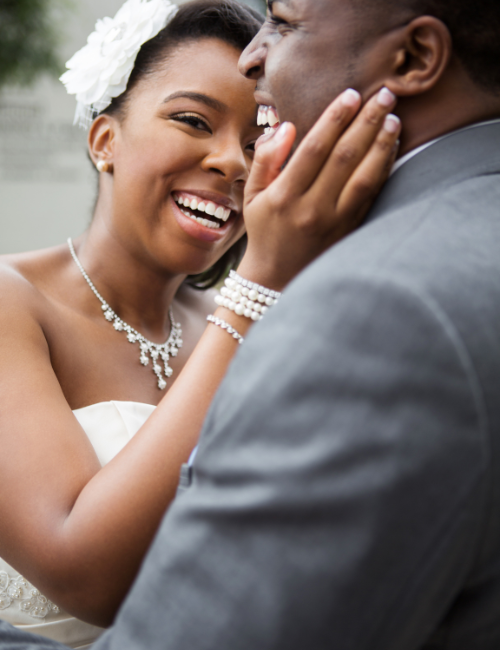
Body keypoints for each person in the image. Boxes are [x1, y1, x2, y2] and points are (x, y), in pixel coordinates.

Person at [5, 0, 500, 647]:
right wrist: (254, 291)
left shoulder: (266, 319)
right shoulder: (15, 302)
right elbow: (82, 572)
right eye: (192, 120)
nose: (233, 163)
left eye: (257, 135)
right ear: (105, 141)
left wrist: (251, 298)